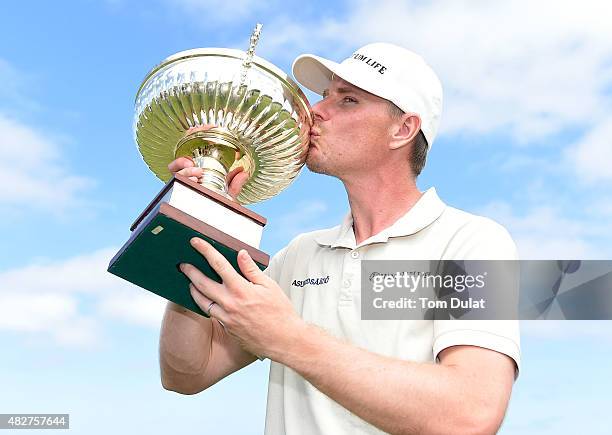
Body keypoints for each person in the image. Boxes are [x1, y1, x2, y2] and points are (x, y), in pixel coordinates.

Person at [159, 42, 520, 434]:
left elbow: (470, 416)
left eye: (348, 100)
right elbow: (186, 373)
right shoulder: (299, 255)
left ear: (403, 129)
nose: (316, 111)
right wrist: (199, 218)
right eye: (325, 95)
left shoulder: (473, 243)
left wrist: (287, 337)